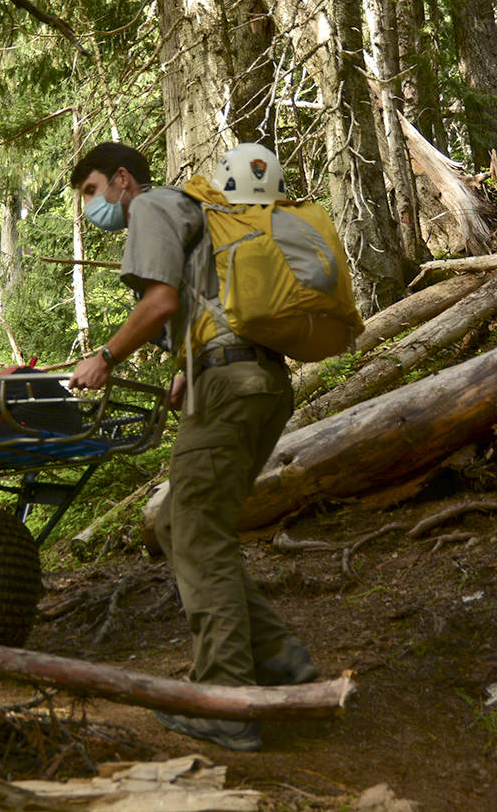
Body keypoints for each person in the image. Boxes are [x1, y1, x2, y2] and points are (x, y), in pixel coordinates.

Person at [67, 141, 317, 752]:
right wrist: (187, 367)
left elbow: (161, 301)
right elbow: (205, 301)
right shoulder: (196, 211)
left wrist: (104, 357)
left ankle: (225, 701)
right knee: (184, 526)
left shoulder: (150, 205)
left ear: (122, 179)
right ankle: (279, 658)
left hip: (231, 386)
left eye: (92, 192)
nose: (90, 209)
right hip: (259, 381)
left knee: (197, 530)